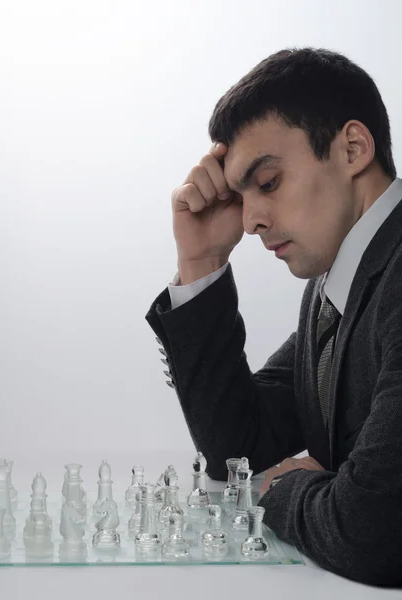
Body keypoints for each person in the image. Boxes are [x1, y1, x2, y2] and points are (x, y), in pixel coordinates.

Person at [145, 47, 402, 586]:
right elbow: (238, 444)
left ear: (353, 147)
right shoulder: (333, 288)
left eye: (267, 183)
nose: (252, 220)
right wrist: (201, 263)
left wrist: (281, 491)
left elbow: (371, 532)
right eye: (240, 197)